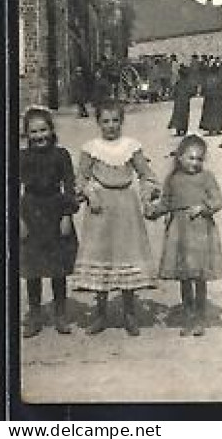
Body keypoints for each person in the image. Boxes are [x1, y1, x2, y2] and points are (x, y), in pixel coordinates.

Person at [73, 100, 160, 336]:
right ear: (98, 123)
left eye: (115, 121)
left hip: (126, 209)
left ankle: (129, 314)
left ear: (122, 122)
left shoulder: (131, 146)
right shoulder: (91, 148)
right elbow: (80, 178)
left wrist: (147, 195)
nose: (111, 126)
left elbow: (146, 175)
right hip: (100, 210)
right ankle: (101, 314)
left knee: (126, 255)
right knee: (101, 256)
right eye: (105, 121)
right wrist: (90, 194)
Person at [147, 135, 222, 337]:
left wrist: (203, 207)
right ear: (179, 157)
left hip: (199, 233)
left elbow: (218, 200)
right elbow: (166, 203)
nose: (195, 163)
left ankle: (199, 317)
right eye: (191, 158)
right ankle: (188, 316)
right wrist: (153, 211)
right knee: (185, 279)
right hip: (179, 234)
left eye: (199, 159)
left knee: (199, 277)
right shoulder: (173, 179)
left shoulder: (207, 177)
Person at [19, 107, 79, 337]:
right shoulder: (22, 157)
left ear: (52, 131)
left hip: (55, 210)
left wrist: (67, 215)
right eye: (33, 132)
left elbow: (70, 185)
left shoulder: (61, 155)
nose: (39, 136)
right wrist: (20, 220)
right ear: (27, 134)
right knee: (32, 267)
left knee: (58, 268)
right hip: (31, 212)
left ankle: (60, 313)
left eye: (43, 130)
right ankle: (35, 314)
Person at [198, 63, 222, 136]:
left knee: (209, 113)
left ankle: (210, 129)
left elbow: (204, 88)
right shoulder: (219, 78)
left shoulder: (208, 78)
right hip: (218, 98)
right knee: (218, 113)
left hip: (209, 98)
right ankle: (217, 128)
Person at [168, 64, 194, 137]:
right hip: (185, 101)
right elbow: (192, 92)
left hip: (178, 102)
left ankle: (178, 130)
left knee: (177, 115)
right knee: (184, 115)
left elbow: (174, 92)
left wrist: (174, 96)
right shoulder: (188, 83)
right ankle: (184, 129)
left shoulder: (178, 83)